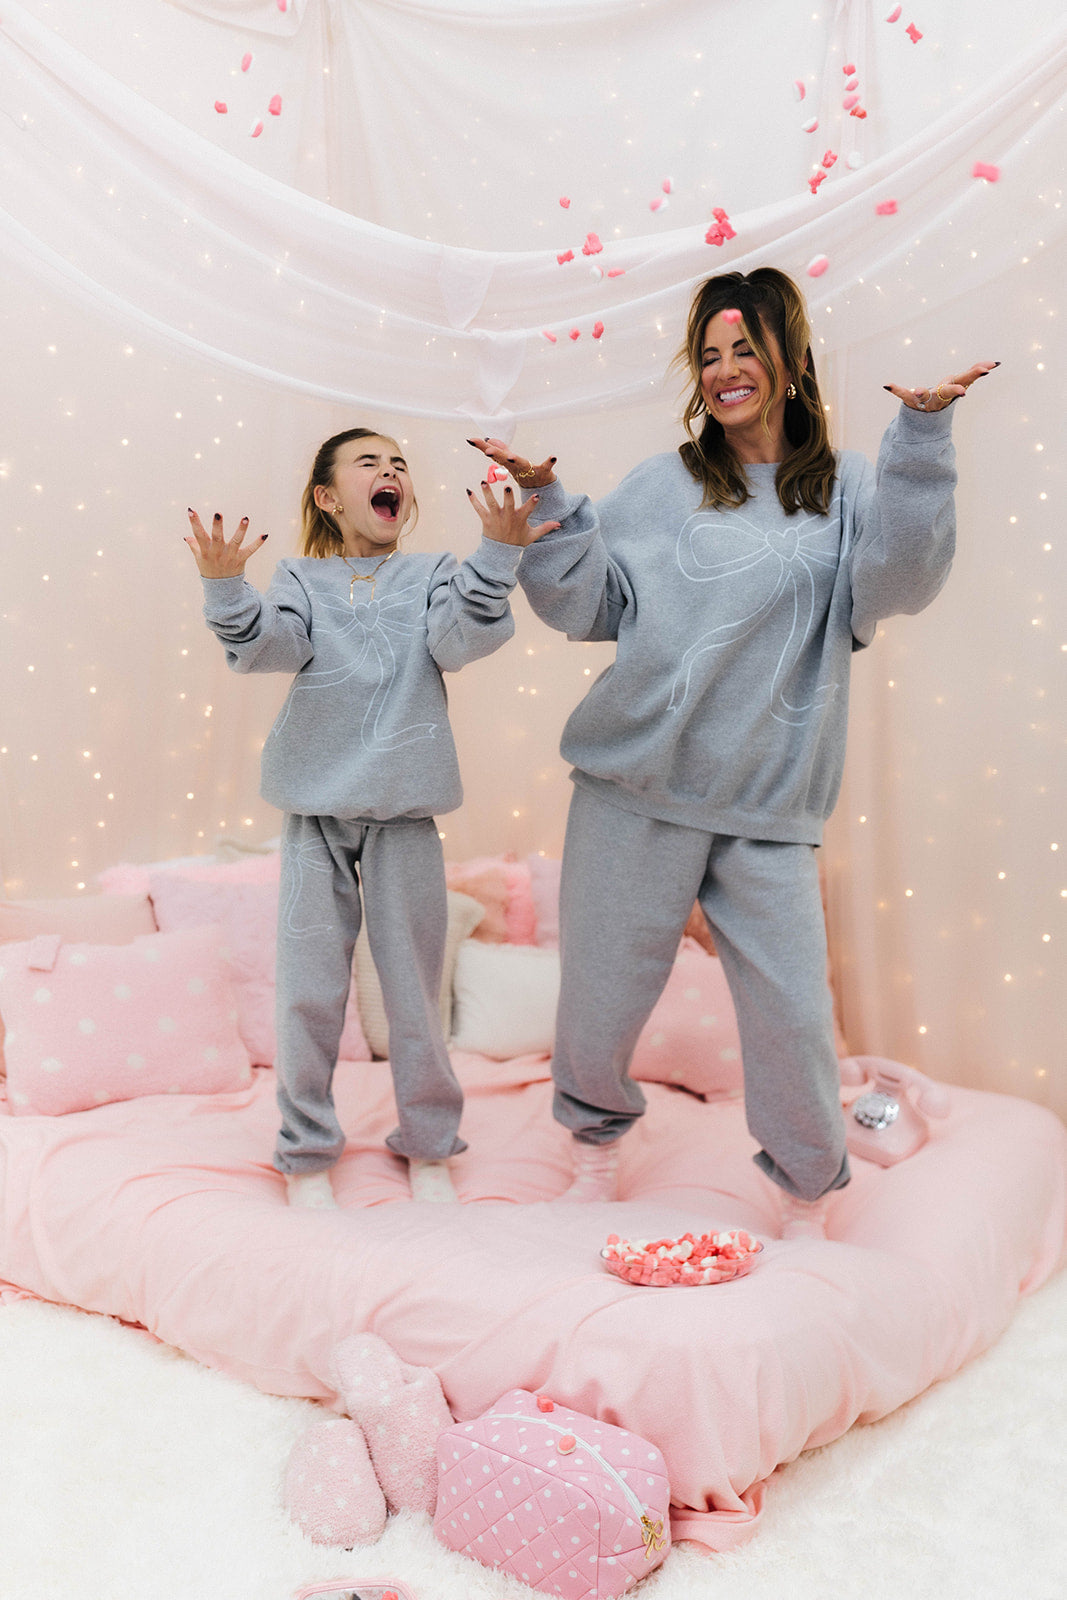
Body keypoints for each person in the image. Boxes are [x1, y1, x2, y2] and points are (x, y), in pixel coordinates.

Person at [468, 266, 996, 1236]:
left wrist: (920, 443)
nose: (721, 371)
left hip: (766, 805)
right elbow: (588, 607)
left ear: (789, 360)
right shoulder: (665, 486)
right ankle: (590, 1153)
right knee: (599, 993)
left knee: (793, 1018)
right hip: (634, 784)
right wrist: (546, 507)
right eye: (706, 356)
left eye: (741, 349)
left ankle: (803, 1199)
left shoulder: (846, 491)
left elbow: (900, 583)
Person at [186, 427, 556, 1208]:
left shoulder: (431, 574)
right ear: (328, 495)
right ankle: (308, 1151)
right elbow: (265, 650)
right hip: (314, 816)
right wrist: (226, 588)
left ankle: (428, 1145)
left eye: (399, 466)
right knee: (309, 993)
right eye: (369, 464)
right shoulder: (299, 577)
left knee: (416, 995)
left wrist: (496, 555)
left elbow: (460, 643)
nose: (390, 473)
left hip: (404, 815)